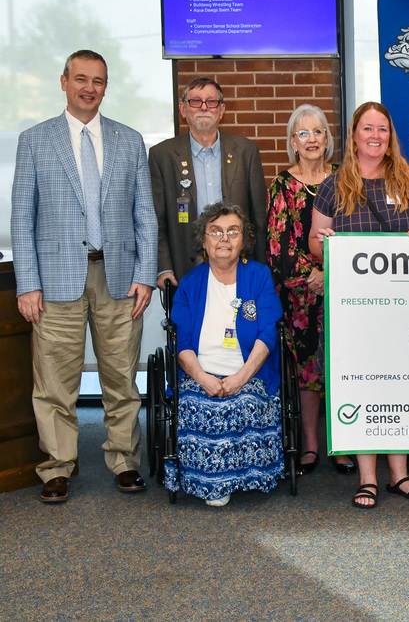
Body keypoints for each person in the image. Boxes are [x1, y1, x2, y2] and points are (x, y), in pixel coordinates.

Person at [11, 49, 157, 503]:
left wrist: (146, 274)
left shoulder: (129, 140)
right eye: (80, 79)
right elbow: (21, 218)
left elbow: (145, 216)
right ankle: (57, 466)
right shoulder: (35, 140)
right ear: (64, 82)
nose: (88, 88)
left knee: (121, 377)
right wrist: (28, 283)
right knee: (54, 381)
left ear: (105, 87)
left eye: (97, 80)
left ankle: (125, 460)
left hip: (117, 278)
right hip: (55, 280)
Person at [309, 101, 409, 508]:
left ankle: (400, 476)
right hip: (354, 309)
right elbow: (315, 241)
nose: (375, 136)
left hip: (404, 307)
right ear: (353, 135)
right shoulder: (335, 184)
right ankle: (368, 478)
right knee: (362, 385)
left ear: (391, 137)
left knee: (401, 383)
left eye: (382, 130)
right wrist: (328, 246)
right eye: (367, 129)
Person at [165, 203, 284, 507]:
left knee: (244, 401)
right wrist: (203, 378)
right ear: (203, 241)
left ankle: (244, 476)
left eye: (233, 232)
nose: (224, 239)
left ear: (244, 239)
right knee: (198, 405)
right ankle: (216, 482)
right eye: (215, 232)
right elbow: (183, 343)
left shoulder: (258, 277)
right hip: (199, 373)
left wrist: (239, 378)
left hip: (249, 373)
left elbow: (268, 333)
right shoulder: (190, 284)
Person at [267, 104, 354, 476]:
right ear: (293, 142)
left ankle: (344, 443)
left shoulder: (346, 178)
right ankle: (311, 445)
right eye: (304, 133)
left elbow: (356, 231)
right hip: (301, 294)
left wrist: (331, 271)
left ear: (328, 139)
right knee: (308, 369)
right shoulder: (282, 186)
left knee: (344, 365)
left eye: (318, 131)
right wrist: (315, 273)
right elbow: (278, 247)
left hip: (346, 289)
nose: (312, 139)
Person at [149, 77, 268, 289]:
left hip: (239, 268)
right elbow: (157, 221)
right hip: (184, 270)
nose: (204, 107)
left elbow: (259, 220)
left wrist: (259, 269)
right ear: (183, 109)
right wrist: (164, 268)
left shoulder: (246, 152)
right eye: (195, 101)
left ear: (221, 110)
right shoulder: (162, 156)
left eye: (211, 102)